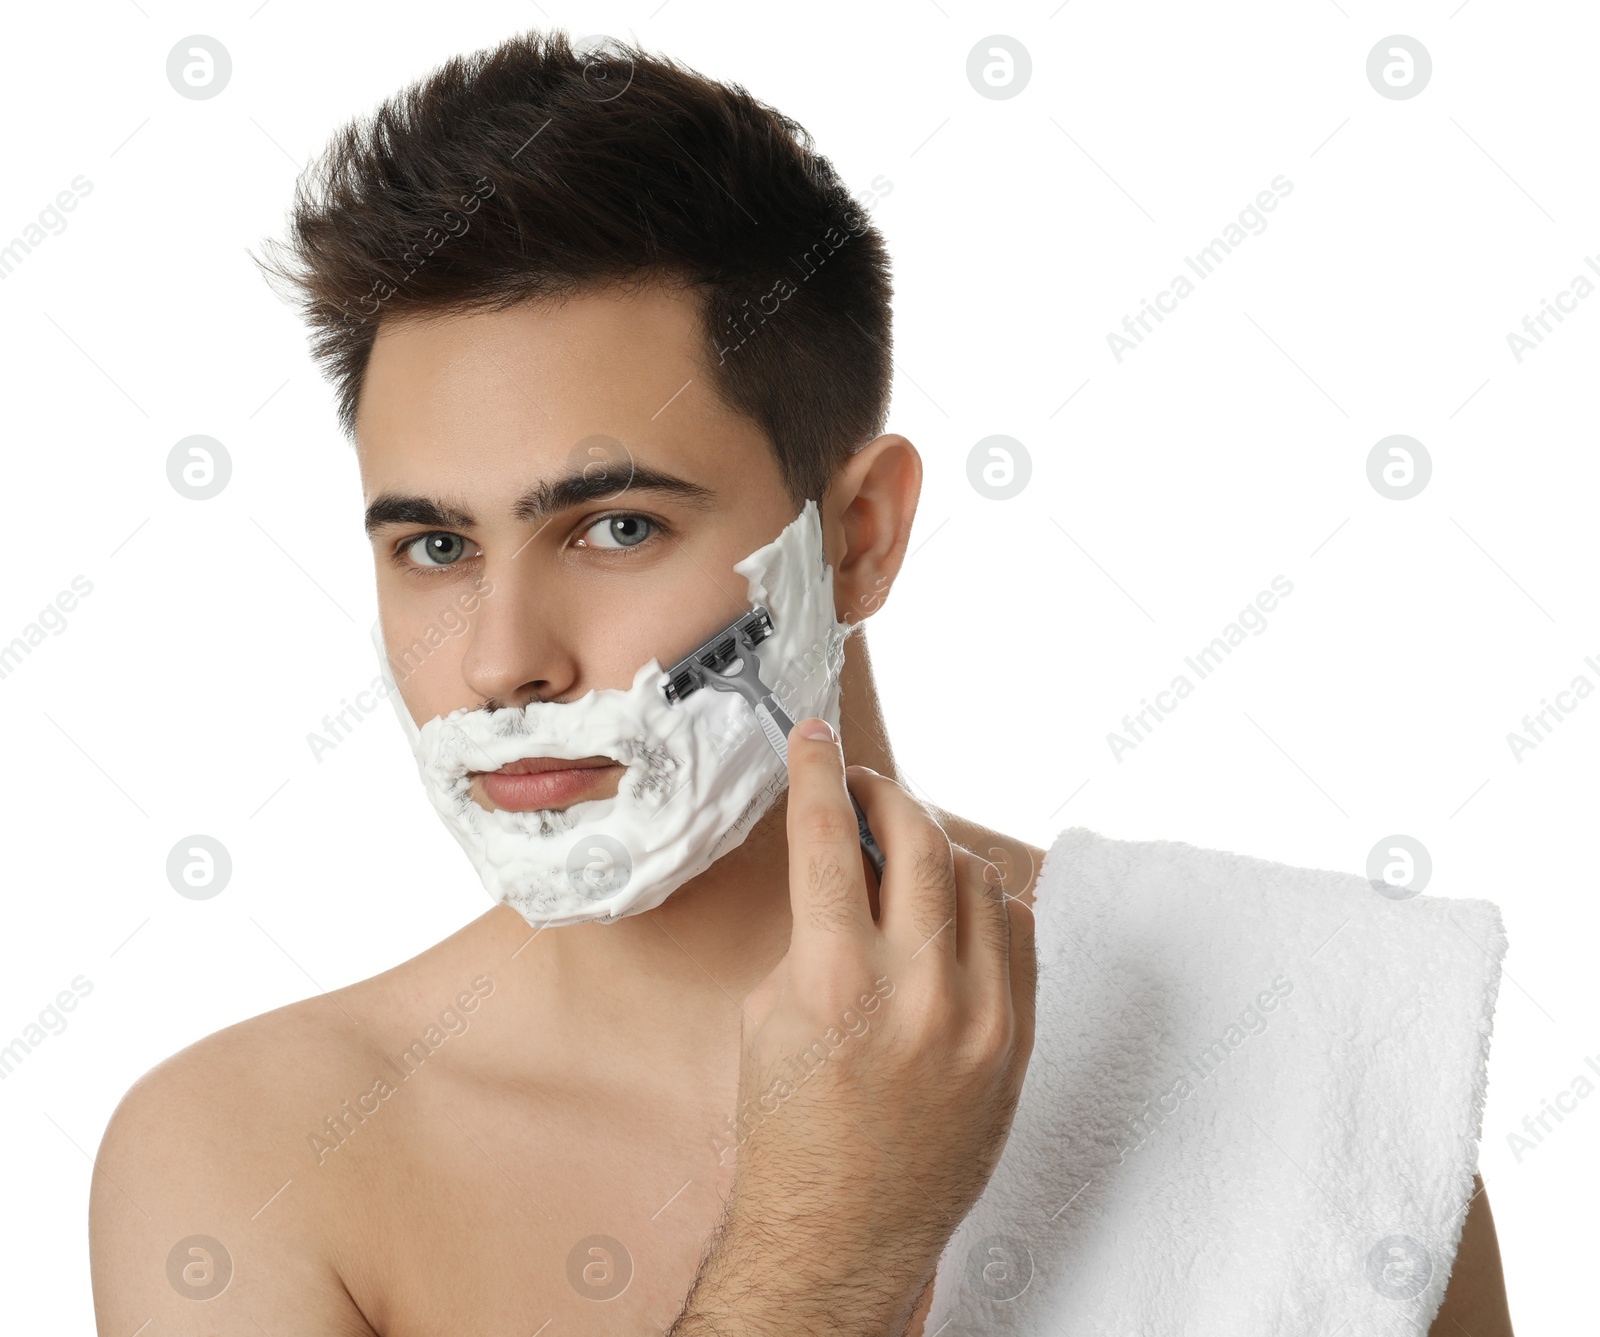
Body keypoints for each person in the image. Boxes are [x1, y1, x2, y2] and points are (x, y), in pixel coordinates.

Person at [88, 29, 1511, 1335]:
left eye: (616, 526)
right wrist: (831, 1241)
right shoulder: (254, 1162)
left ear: (857, 535)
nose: (501, 656)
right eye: (437, 545)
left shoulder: (1309, 1042)